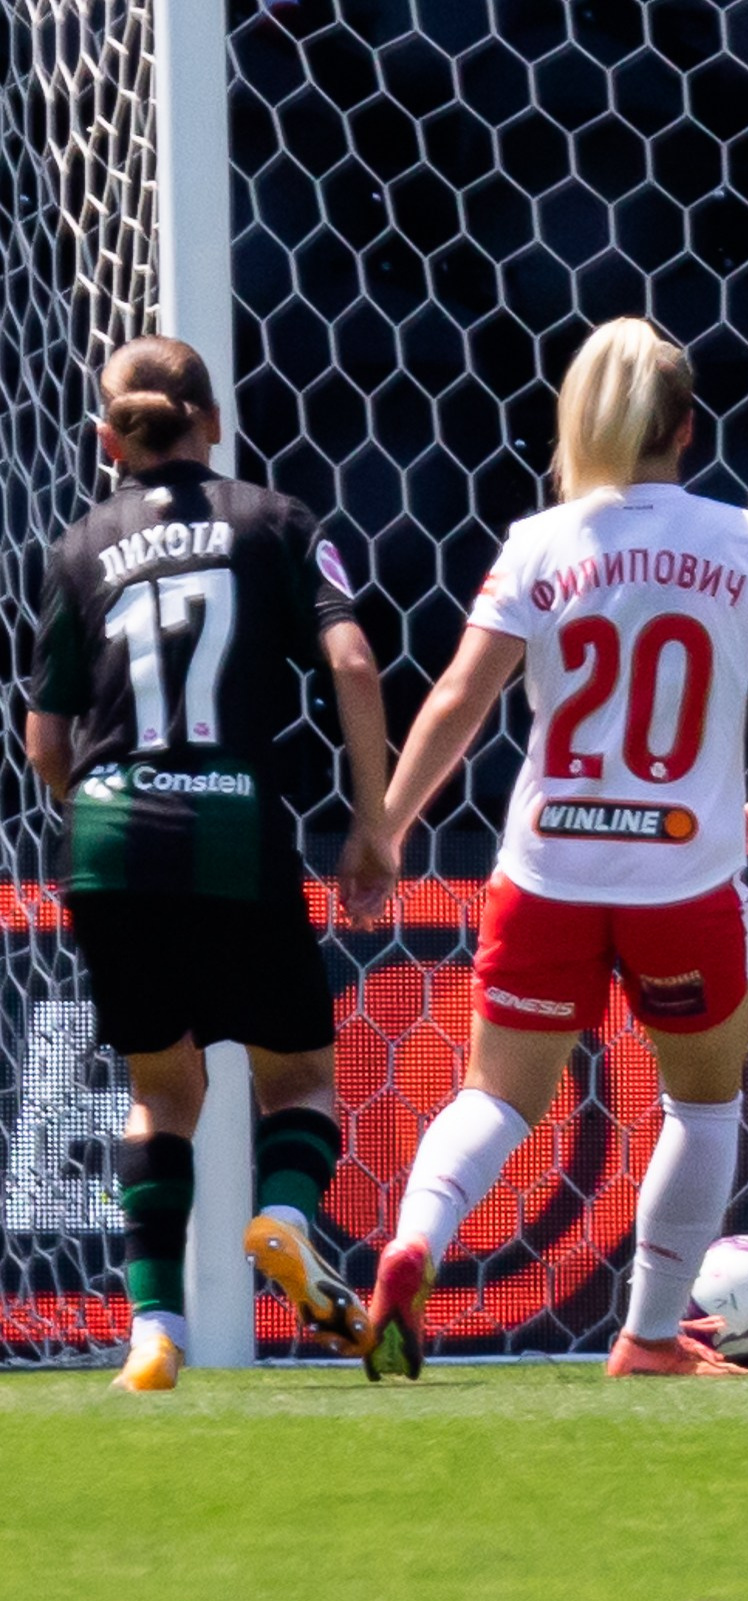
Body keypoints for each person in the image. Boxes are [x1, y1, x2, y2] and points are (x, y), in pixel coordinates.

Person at [358, 319, 748, 1381]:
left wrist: (387, 824)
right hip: (684, 874)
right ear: (689, 428)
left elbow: (458, 698)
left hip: (548, 869)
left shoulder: (541, 540)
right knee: (701, 1104)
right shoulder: (742, 537)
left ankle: (416, 1241)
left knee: (496, 1098)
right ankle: (649, 1336)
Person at [27, 334, 397, 1391]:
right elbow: (352, 660)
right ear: (215, 423)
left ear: (108, 440)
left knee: (161, 1090)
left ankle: (155, 1332)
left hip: (108, 837)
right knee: (300, 1077)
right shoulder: (272, 519)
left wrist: (107, 812)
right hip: (234, 826)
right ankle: (284, 1221)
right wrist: (373, 823)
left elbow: (45, 739)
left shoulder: (79, 545)